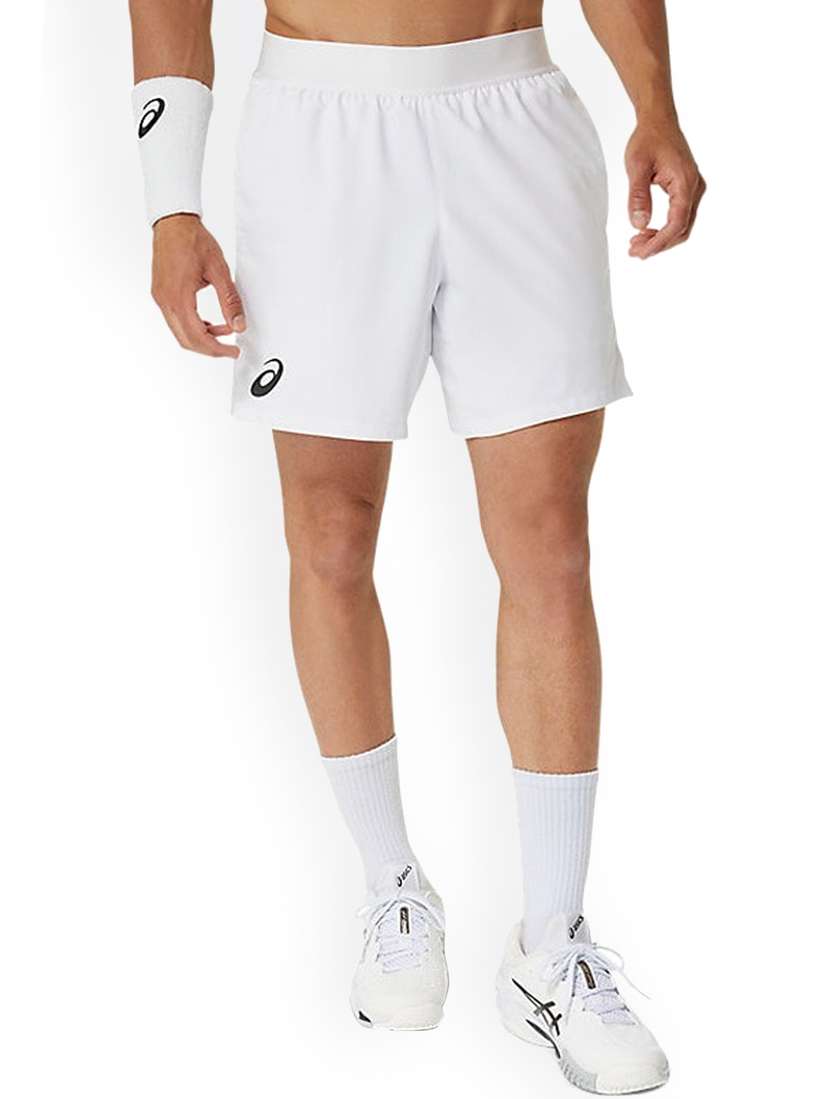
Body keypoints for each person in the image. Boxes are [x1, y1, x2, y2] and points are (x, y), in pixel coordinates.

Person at [129, 1, 704, 1092]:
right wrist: (170, 203)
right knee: (331, 532)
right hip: (321, 128)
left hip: (514, 115)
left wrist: (654, 103)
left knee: (549, 540)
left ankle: (550, 942)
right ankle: (392, 885)